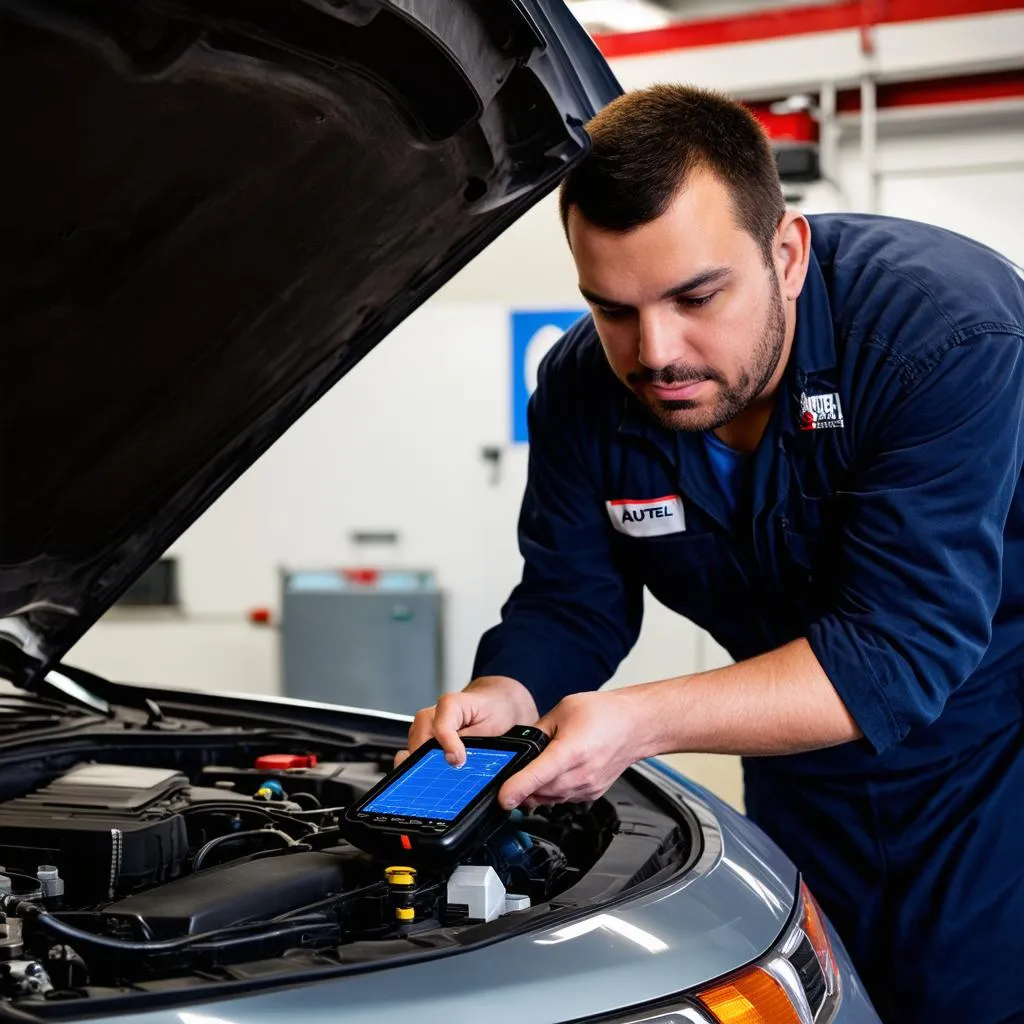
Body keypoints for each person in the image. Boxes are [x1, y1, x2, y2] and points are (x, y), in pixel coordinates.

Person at [399, 85, 1024, 1022]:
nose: (655, 353)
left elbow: (898, 654)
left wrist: (638, 722)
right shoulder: (581, 389)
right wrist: (505, 698)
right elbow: (572, 604)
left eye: (697, 297)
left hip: (991, 774)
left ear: (787, 253)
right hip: (796, 774)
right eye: (611, 308)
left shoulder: (940, 333)